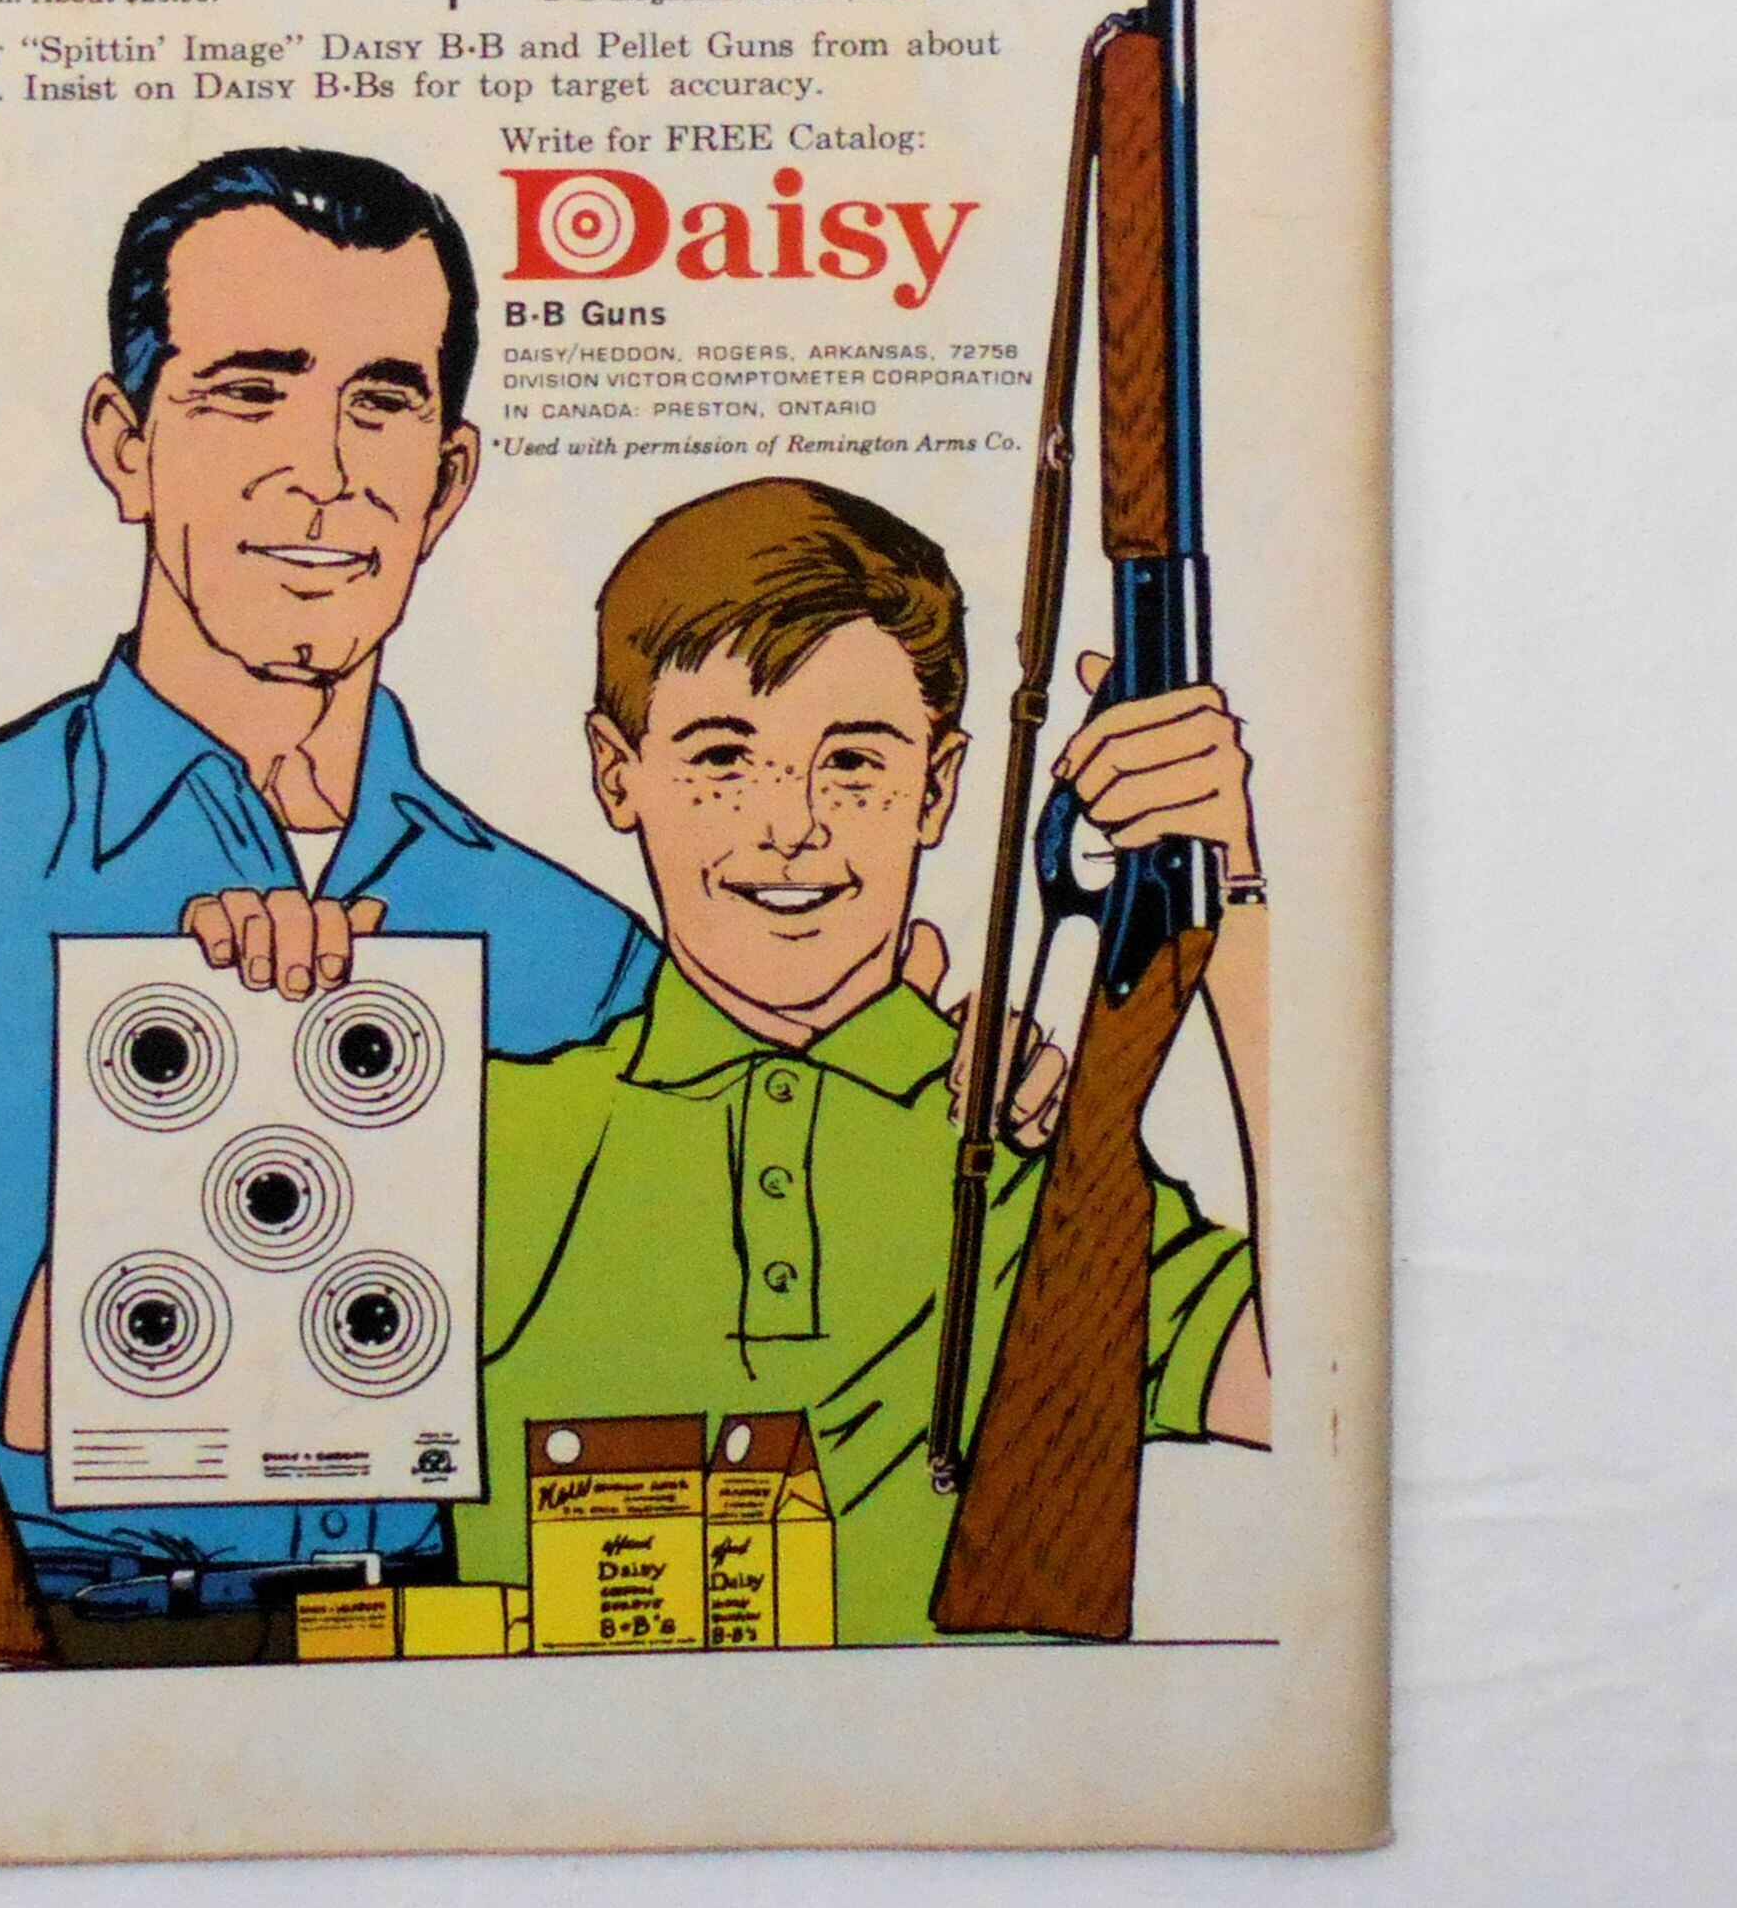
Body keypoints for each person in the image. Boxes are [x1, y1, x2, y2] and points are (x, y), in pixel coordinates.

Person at [0, 148, 656, 1623]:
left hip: (451, 1658)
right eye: (249, 391)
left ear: (447, 477)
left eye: (380, 401)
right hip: (52, 1655)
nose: (323, 470)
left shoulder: (585, 952)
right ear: (124, 443)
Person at [447, 476, 1269, 1643]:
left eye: (853, 762)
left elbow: (1302, 1381)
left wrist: (1231, 893)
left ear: (940, 784)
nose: (791, 825)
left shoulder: (1032, 1152)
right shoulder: (491, 1131)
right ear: (615, 771)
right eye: (722, 755)